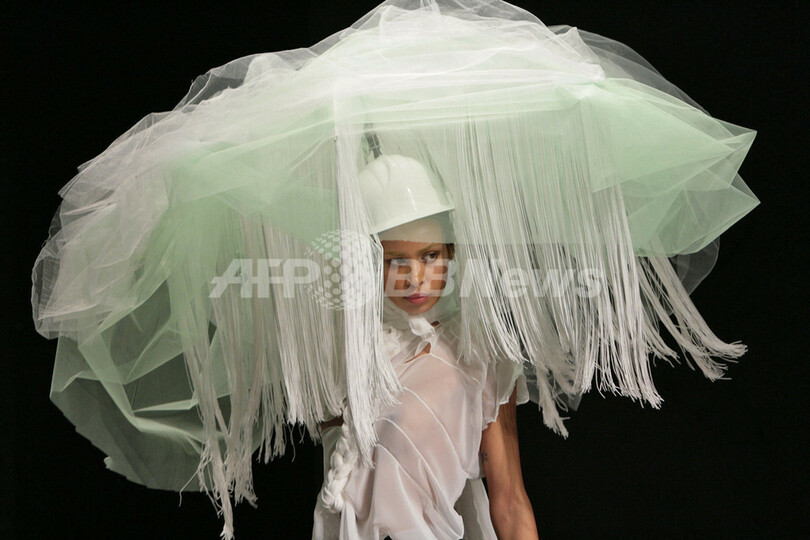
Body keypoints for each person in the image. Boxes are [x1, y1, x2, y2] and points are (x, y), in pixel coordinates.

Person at [312, 154, 536, 539]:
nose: (415, 278)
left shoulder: (479, 356)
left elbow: (510, 502)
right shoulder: (346, 359)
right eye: (396, 260)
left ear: (450, 253)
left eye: (429, 255)